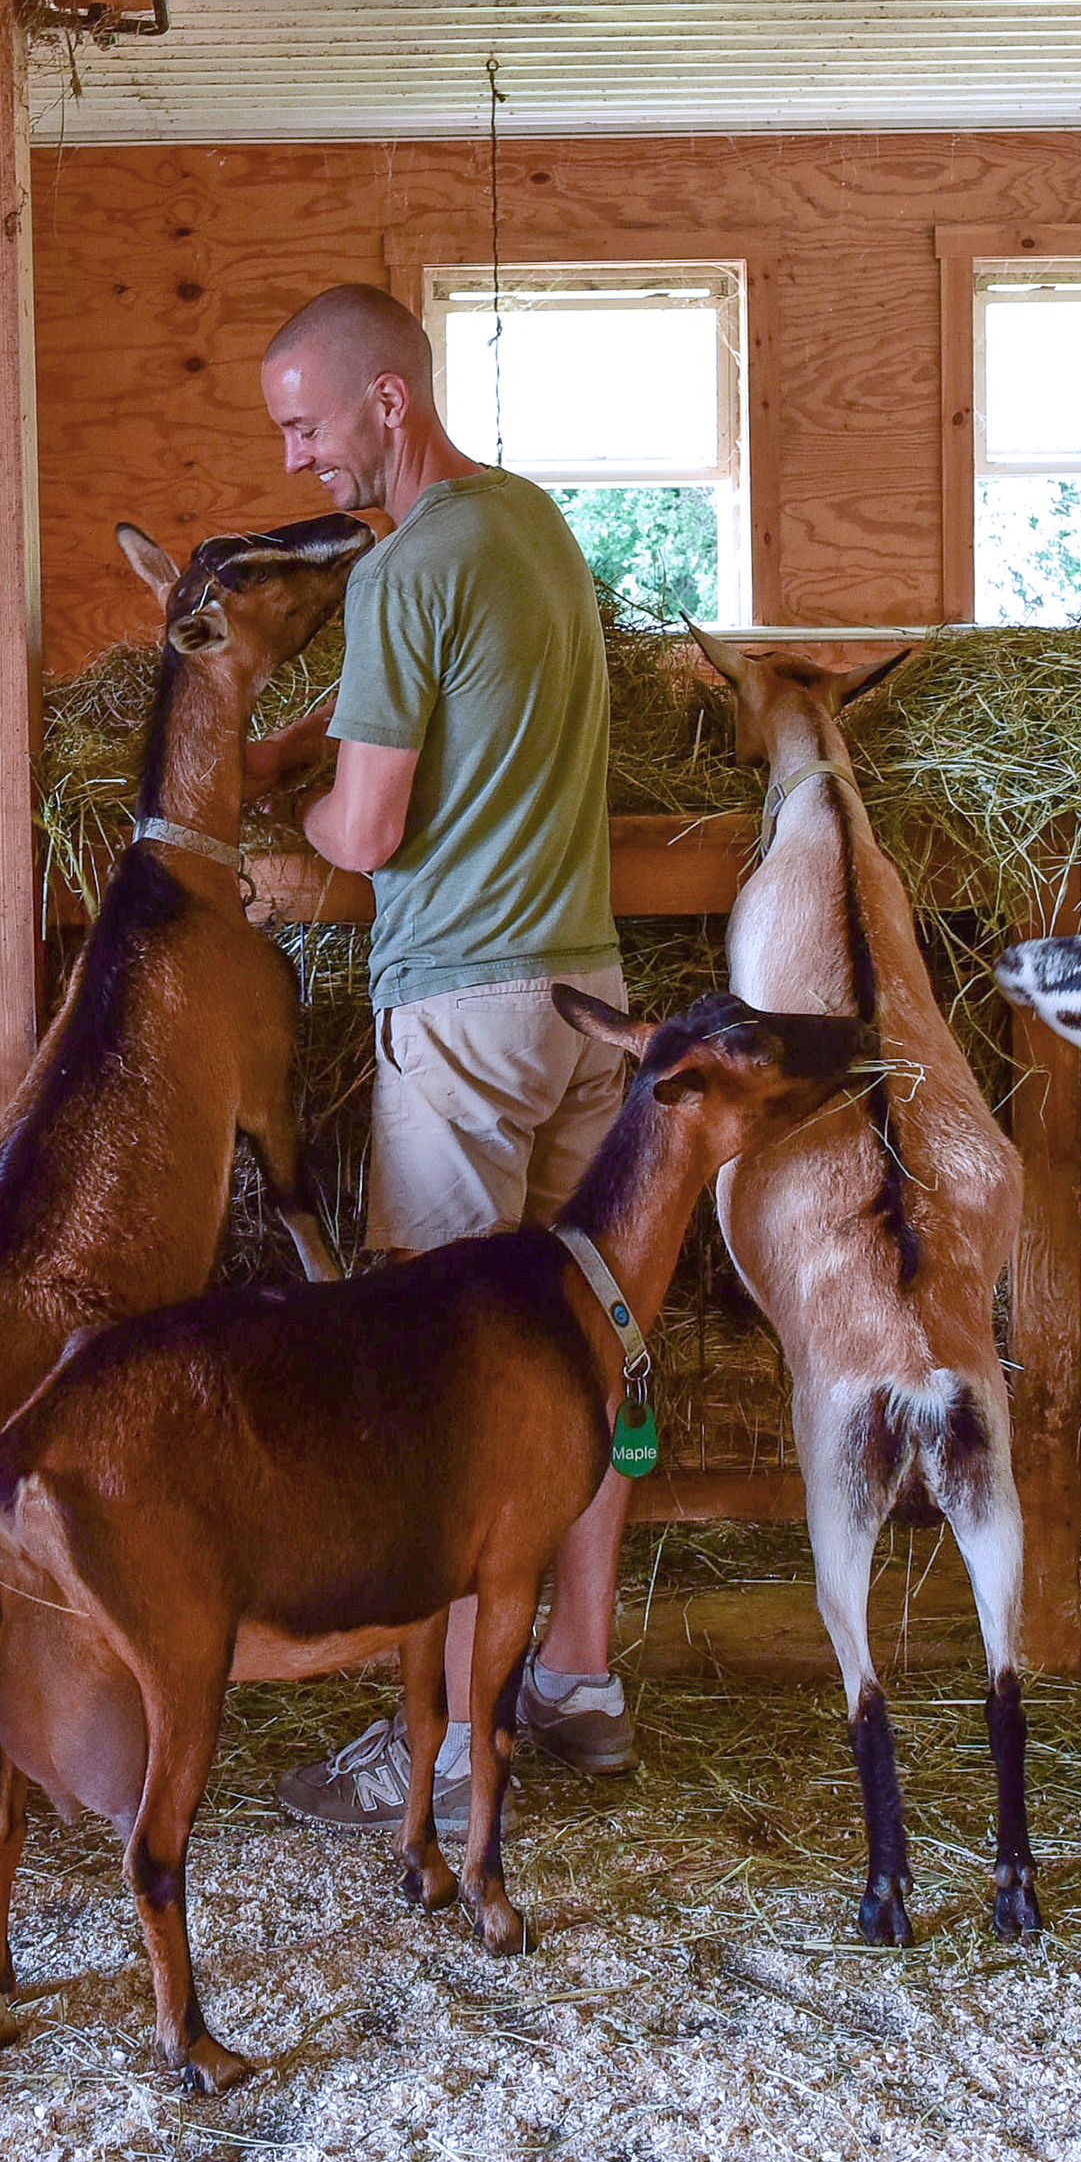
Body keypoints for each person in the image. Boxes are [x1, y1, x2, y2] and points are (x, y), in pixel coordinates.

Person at [245, 281, 641, 1829]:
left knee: (441, 1390)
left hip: (462, 1016)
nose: (296, 461)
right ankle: (582, 1680)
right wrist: (318, 736)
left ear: (386, 404)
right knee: (580, 1357)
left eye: (305, 425)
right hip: (582, 999)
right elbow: (455, 699)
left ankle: (447, 1739)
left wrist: (291, 807)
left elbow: (372, 826)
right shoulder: (529, 528)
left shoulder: (399, 569)